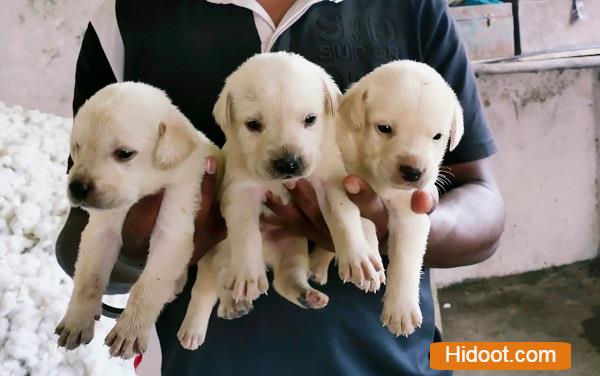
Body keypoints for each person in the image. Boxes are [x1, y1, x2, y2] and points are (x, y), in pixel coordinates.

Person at [55, 0, 505, 374]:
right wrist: (144, 247)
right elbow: (84, 223)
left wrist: (392, 225)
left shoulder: (414, 7)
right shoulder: (125, 13)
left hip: (389, 359)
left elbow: (481, 201)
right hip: (195, 362)